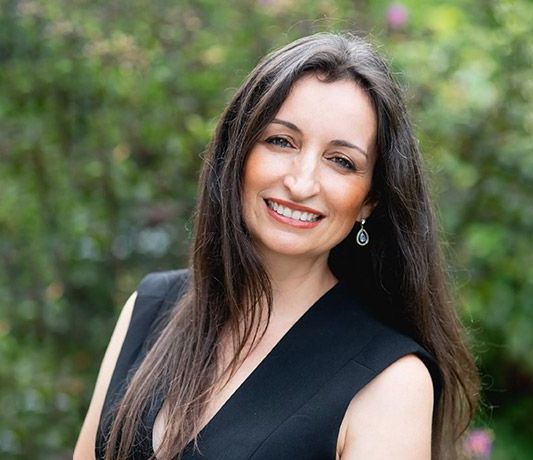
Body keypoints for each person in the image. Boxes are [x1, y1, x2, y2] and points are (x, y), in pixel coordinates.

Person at [74, 32, 479, 460]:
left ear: (370, 200)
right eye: (281, 141)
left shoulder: (391, 381)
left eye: (341, 161)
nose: (301, 182)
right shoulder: (150, 306)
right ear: (239, 152)